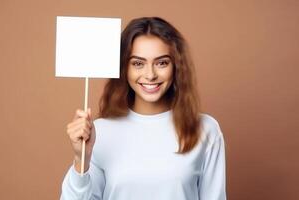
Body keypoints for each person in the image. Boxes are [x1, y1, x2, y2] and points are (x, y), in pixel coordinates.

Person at [60, 17, 226, 200]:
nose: (150, 75)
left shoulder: (206, 130)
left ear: (176, 67)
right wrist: (80, 159)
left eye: (161, 63)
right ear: (124, 68)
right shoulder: (98, 132)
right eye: (138, 63)